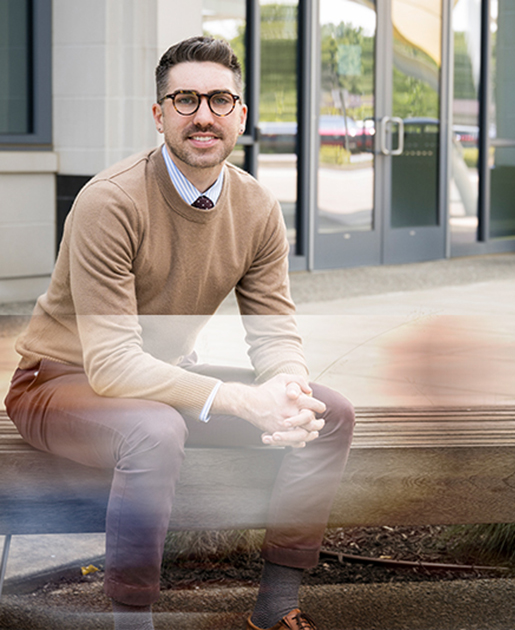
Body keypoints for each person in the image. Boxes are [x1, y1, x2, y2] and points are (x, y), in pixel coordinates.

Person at [3, 37, 353, 630]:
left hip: (159, 382)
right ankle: (132, 621)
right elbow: (112, 365)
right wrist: (246, 401)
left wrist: (288, 390)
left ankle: (276, 606)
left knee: (328, 412)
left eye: (220, 99)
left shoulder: (257, 207)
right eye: (185, 99)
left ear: (241, 114)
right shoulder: (109, 201)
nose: (203, 115)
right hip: (59, 383)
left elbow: (274, 331)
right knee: (153, 431)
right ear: (160, 113)